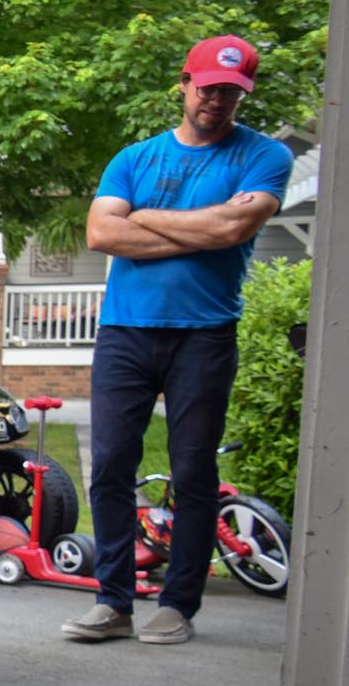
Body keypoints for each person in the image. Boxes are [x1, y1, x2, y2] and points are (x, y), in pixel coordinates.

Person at [62, 34, 294, 645]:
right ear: (185, 84)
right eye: (208, 87)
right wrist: (203, 230)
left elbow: (235, 224)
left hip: (205, 334)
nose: (217, 101)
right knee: (111, 464)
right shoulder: (134, 158)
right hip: (125, 333)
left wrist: (141, 217)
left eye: (232, 92)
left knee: (193, 472)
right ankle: (113, 601)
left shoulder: (264, 155)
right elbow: (100, 233)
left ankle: (178, 605)